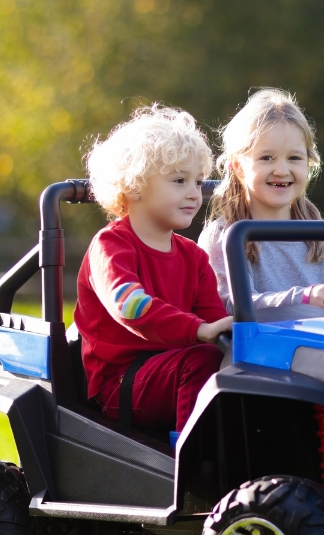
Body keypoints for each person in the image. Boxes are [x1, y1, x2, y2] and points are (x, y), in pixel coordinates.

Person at [74, 105, 233, 430]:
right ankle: (195, 461)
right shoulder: (111, 246)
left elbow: (214, 321)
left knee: (233, 360)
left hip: (175, 371)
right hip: (122, 383)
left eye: (198, 181)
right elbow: (130, 306)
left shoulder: (194, 257)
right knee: (205, 360)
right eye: (179, 180)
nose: (194, 193)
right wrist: (197, 330)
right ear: (133, 186)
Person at [198, 88, 324, 312]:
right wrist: (304, 298)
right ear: (239, 166)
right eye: (267, 158)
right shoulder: (224, 237)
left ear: (309, 163)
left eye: (294, 158)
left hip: (319, 346)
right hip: (258, 346)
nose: (281, 170)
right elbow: (231, 306)